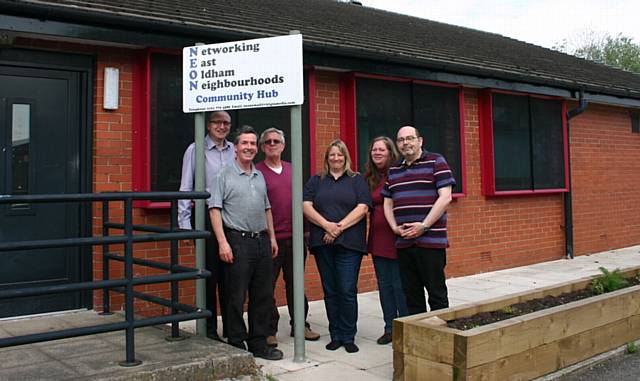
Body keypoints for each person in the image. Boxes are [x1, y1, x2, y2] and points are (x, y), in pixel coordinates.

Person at [208, 125, 283, 361]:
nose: (249, 147)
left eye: (252, 143)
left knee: (262, 295)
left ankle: (259, 343)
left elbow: (267, 208)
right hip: (236, 240)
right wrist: (222, 243)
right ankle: (236, 341)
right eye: (244, 143)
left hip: (261, 240)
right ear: (236, 148)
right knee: (235, 295)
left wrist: (271, 237)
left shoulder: (259, 175)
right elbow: (215, 210)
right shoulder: (224, 174)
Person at [303, 139, 371, 353]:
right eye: (332, 155)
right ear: (327, 158)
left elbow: (362, 208)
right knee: (331, 290)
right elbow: (305, 205)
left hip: (349, 244)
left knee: (347, 290)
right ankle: (336, 335)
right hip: (323, 244)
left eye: (339, 154)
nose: (336, 158)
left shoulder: (356, 180)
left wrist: (337, 228)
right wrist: (326, 226)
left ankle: (348, 336)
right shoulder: (316, 180)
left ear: (345, 157)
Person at [255, 128, 321, 348]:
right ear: (262, 147)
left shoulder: (294, 169)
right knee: (266, 286)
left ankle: (300, 325)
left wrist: (307, 232)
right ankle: (268, 329)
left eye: (276, 141)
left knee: (295, 284)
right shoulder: (257, 172)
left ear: (283, 145)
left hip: (295, 238)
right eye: (268, 141)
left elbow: (303, 203)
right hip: (269, 240)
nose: (272, 144)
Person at [382, 126, 455, 315]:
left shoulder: (436, 161)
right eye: (401, 140)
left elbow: (445, 197)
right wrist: (395, 229)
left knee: (436, 294)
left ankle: (440, 338)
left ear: (420, 141)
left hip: (430, 242)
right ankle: (419, 340)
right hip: (405, 243)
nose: (405, 143)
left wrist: (424, 226)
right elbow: (387, 203)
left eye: (410, 138)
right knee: (412, 296)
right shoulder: (394, 170)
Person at [178, 110, 234, 341]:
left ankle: (233, 330)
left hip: (232, 218)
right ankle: (210, 331)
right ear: (208, 125)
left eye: (226, 123)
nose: (222, 126)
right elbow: (186, 187)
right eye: (217, 122)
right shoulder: (195, 149)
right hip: (206, 219)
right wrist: (185, 224)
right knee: (210, 277)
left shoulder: (235, 150)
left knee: (232, 278)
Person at [364, 136, 408, 345]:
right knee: (385, 285)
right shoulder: (369, 178)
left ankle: (406, 326)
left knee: (400, 285)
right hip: (378, 239)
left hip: (398, 236)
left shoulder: (399, 173)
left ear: (391, 152)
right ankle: (389, 327)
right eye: (374, 150)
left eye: (382, 150)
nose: (378, 153)